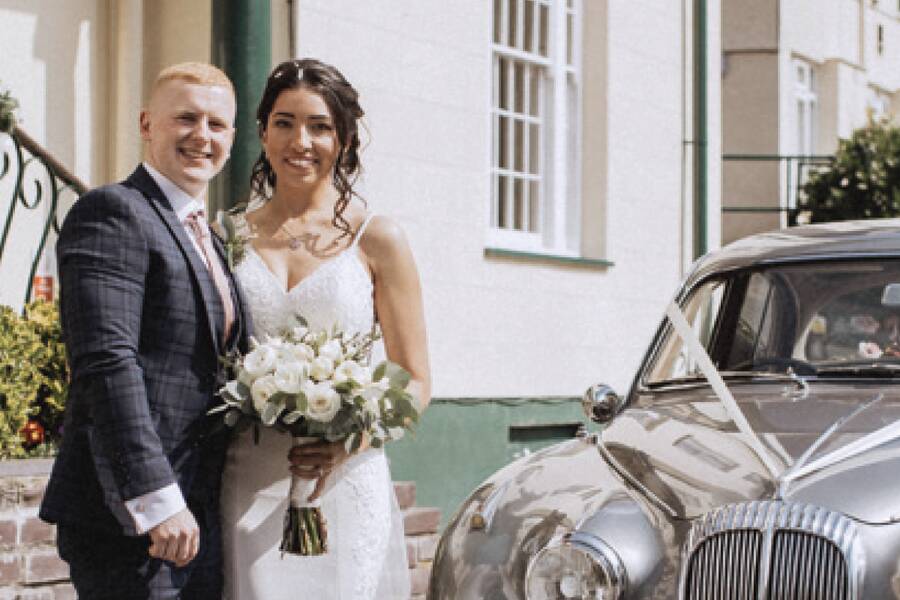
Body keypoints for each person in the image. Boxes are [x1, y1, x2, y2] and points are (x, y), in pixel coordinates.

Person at [221, 58, 430, 599]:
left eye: (319, 126)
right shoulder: (229, 237)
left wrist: (346, 445)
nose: (301, 142)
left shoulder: (378, 238)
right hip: (250, 476)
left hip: (345, 480)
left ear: (344, 140)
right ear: (263, 132)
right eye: (285, 123)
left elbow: (414, 382)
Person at [39, 62, 250, 599]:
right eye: (186, 118)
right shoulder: (113, 213)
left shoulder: (210, 238)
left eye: (217, 124)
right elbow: (106, 363)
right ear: (147, 124)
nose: (202, 135)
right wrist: (157, 499)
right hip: (133, 520)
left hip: (199, 511)